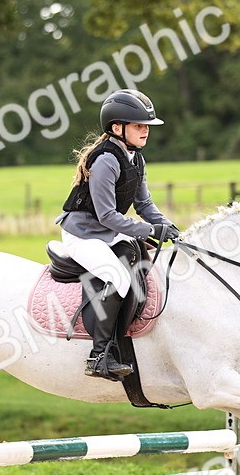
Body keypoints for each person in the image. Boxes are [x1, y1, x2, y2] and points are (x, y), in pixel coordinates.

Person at [55, 89, 180, 381]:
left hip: (107, 233)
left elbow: (144, 204)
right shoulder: (106, 161)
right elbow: (107, 215)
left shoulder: (135, 158)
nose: (145, 130)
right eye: (139, 125)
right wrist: (150, 230)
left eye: (147, 126)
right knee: (118, 278)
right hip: (83, 234)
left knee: (141, 265)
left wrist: (170, 227)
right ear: (117, 128)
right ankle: (99, 356)